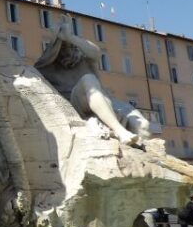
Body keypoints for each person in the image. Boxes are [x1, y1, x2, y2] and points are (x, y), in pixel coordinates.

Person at [35, 14, 150, 147]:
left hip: (107, 100)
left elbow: (96, 52)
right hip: (77, 105)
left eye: (71, 46)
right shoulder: (46, 68)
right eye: (63, 47)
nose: (69, 50)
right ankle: (120, 131)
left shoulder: (86, 58)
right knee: (88, 80)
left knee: (144, 126)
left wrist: (70, 37)